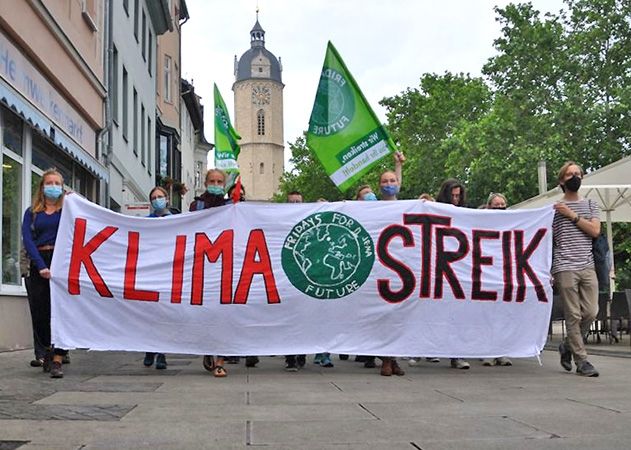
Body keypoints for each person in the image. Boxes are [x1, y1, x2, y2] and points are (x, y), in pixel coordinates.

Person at [553, 162, 601, 377]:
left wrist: (571, 215)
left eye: (578, 174)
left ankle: (567, 345)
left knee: (591, 312)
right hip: (564, 266)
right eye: (570, 174)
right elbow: (547, 240)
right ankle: (582, 361)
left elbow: (594, 231)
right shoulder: (554, 209)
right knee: (573, 314)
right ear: (562, 181)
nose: (575, 177)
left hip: (587, 265)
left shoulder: (591, 204)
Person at [22, 168, 69, 378]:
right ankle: (45, 350)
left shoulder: (67, 211)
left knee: (61, 310)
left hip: (61, 262)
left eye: (57, 183)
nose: (53, 187)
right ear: (42, 187)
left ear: (62, 187)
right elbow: (28, 240)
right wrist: (40, 265)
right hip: (39, 261)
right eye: (49, 183)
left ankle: (58, 356)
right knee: (40, 312)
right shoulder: (32, 212)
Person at [190, 169, 231, 377]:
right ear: (206, 183)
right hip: (203, 267)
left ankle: (220, 361)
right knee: (205, 313)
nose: (216, 184)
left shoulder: (232, 206)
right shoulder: (196, 206)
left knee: (224, 314)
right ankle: (207, 348)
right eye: (213, 181)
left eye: (220, 181)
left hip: (226, 267)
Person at [435, 178, 470, 370]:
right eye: (452, 196)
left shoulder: (466, 214)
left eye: (459, 196)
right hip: (440, 271)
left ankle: (457, 354)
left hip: (459, 271)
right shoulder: (435, 211)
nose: (456, 199)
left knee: (458, 315)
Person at [142, 186, 176, 370]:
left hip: (169, 273)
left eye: (160, 197)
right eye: (154, 197)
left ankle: (161, 352)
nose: (157, 200)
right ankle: (149, 347)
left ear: (167, 199)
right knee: (150, 313)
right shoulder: (147, 222)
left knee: (164, 313)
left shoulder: (176, 221)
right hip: (151, 274)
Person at [481, 192, 512, 367]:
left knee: (503, 315)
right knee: (487, 315)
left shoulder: (513, 224)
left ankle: (502, 351)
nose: (500, 207)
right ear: (488, 207)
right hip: (486, 276)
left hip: (504, 275)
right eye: (496, 205)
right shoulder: (482, 224)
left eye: (502, 204)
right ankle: (488, 351)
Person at [284, 191, 308, 372]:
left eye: (298, 202)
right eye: (291, 202)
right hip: (286, 280)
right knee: (289, 321)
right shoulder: (281, 222)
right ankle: (290, 357)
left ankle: (301, 353)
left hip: (305, 277)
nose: (295, 204)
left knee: (303, 320)